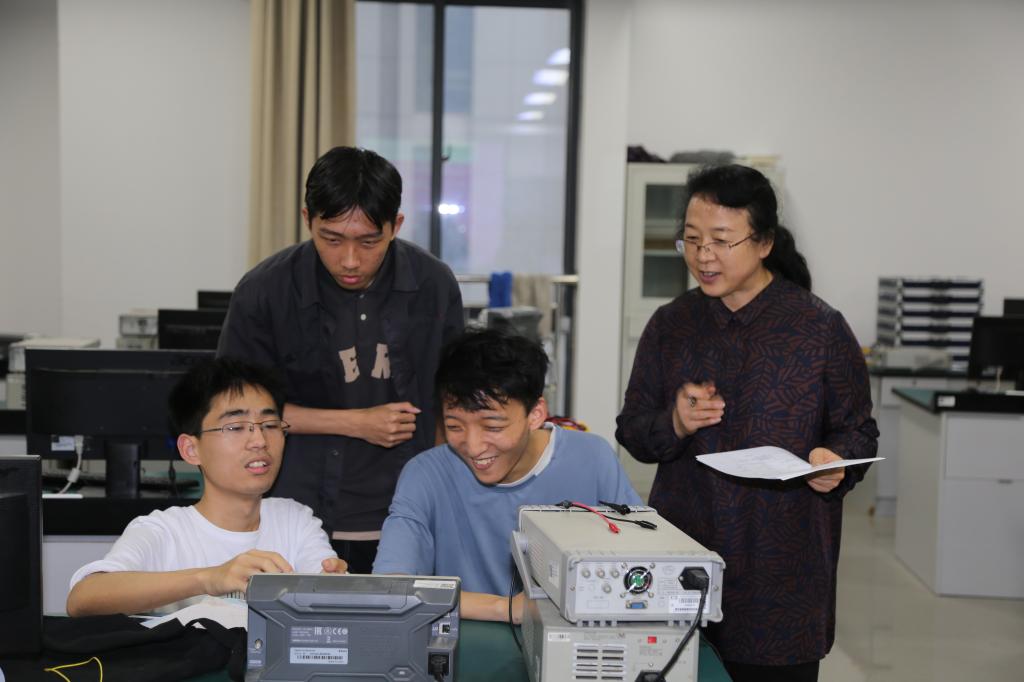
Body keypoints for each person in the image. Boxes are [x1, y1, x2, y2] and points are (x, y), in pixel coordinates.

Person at [615, 165, 879, 682]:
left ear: (764, 243)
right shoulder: (671, 325)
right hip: (685, 555)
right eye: (692, 240)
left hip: (783, 568)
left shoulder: (820, 328)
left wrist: (836, 463)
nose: (703, 255)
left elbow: (857, 430)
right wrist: (675, 422)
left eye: (721, 240)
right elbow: (633, 430)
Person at [217, 146, 464, 573]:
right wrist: (356, 423)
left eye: (369, 242)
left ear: (396, 225)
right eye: (331, 239)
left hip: (406, 510)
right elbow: (237, 410)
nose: (350, 260)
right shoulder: (266, 291)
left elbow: (453, 399)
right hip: (298, 509)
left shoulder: (433, 284)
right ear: (307, 219)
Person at [373, 329, 643, 623]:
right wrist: (505, 608)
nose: (474, 446)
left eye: (492, 427)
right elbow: (391, 588)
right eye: (455, 426)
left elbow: (642, 565)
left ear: (536, 414)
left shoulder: (592, 459)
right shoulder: (425, 475)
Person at [66, 358, 346, 617]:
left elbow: (331, 602)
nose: (259, 441)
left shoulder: (294, 520)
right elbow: (82, 599)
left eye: (270, 424)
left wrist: (338, 590)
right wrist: (209, 578)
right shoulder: (163, 531)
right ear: (191, 449)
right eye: (236, 427)